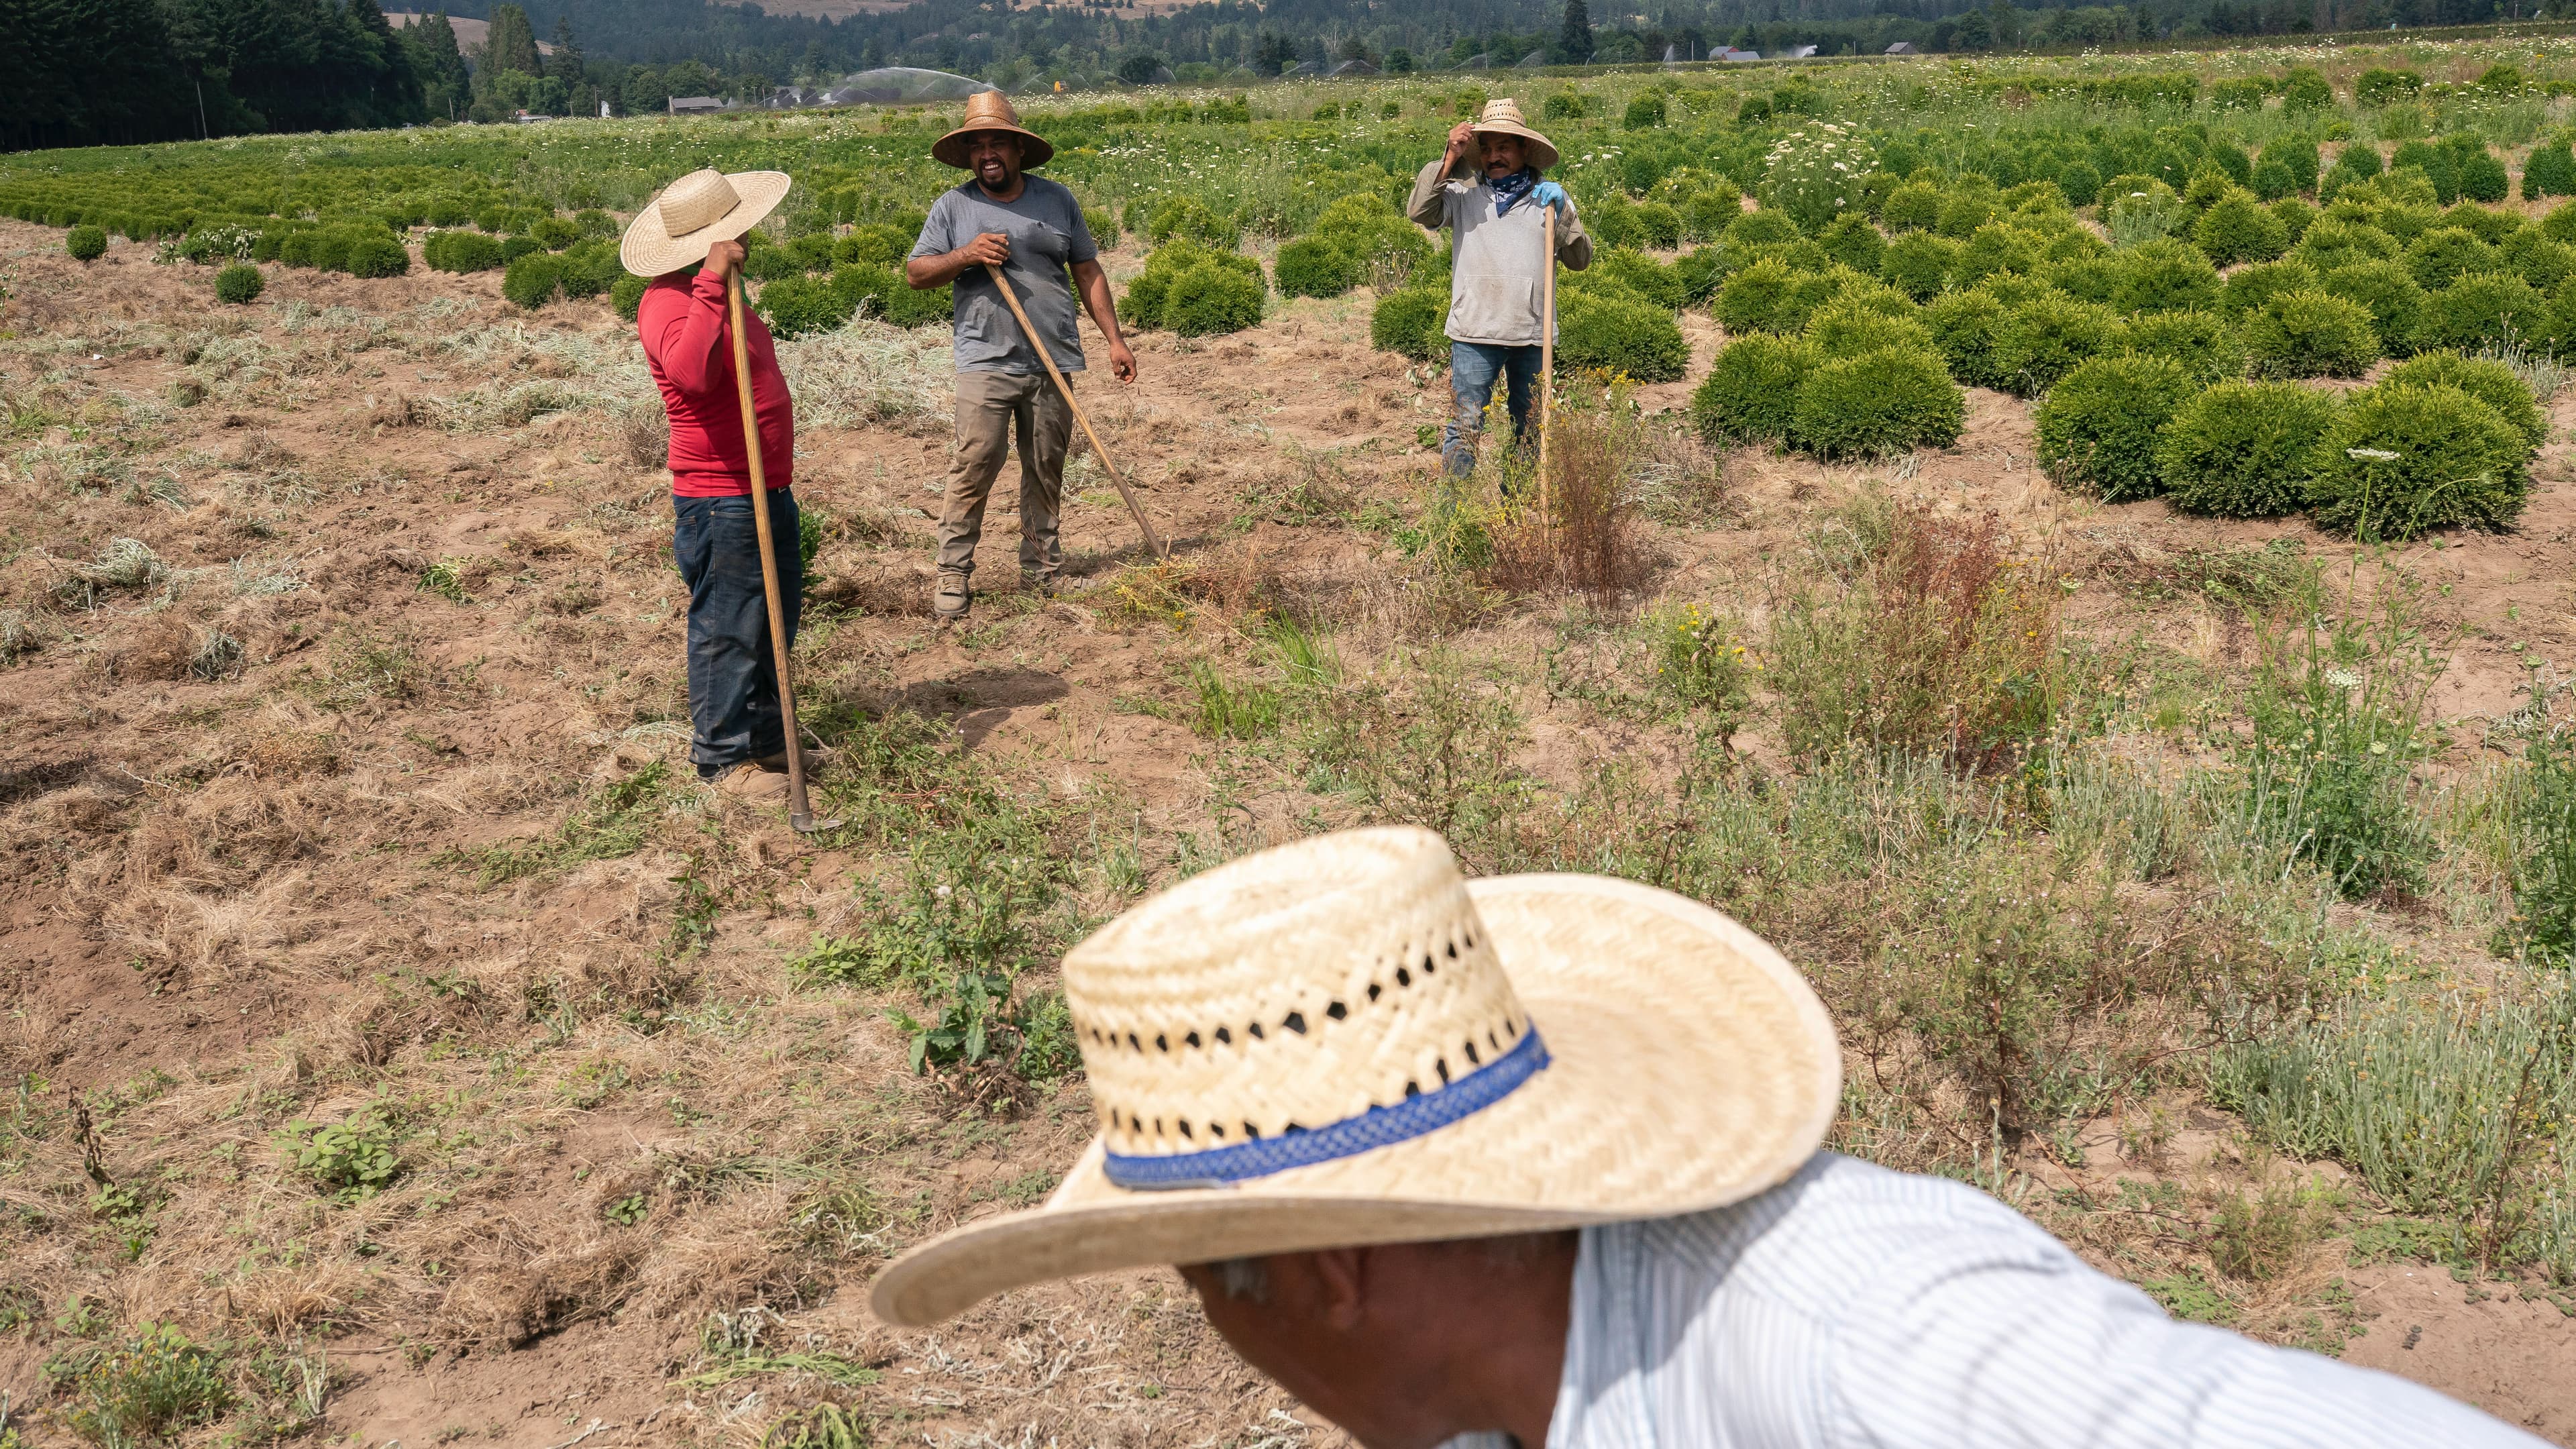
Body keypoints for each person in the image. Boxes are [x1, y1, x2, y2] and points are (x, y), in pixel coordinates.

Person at [870, 826, 2545, 1449]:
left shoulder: (1865, 1339)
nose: (1218, 1347)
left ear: (1320, 1268)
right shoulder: (1521, 1391)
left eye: (1194, 1284)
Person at [906, 92, 1136, 625]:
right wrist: (967, 254)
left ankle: (1041, 567)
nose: (988, 154)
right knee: (975, 464)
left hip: (1053, 360)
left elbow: (1087, 272)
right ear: (968, 155)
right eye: (978, 146)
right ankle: (953, 574)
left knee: (1045, 468)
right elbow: (917, 275)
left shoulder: (1057, 201)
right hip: (985, 362)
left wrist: (1115, 340)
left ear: (1017, 149)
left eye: (997, 143)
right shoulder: (953, 208)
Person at [622, 166, 802, 802]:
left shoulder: (725, 295)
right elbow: (694, 376)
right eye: (737, 233)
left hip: (766, 486)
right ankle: (722, 759)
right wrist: (709, 285)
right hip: (720, 495)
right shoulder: (670, 302)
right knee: (729, 624)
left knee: (774, 618)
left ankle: (764, 738)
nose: (750, 239)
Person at [1409, 99, 1593, 481]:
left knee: (1530, 425)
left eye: (1504, 147)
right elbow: (1420, 212)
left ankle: (1521, 505)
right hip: (1475, 329)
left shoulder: (1549, 199)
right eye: (1487, 148)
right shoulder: (1462, 195)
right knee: (1466, 426)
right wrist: (1449, 156)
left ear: (1524, 150)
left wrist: (1565, 214)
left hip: (1533, 333)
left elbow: (1580, 260)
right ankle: (1457, 513)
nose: (1494, 156)